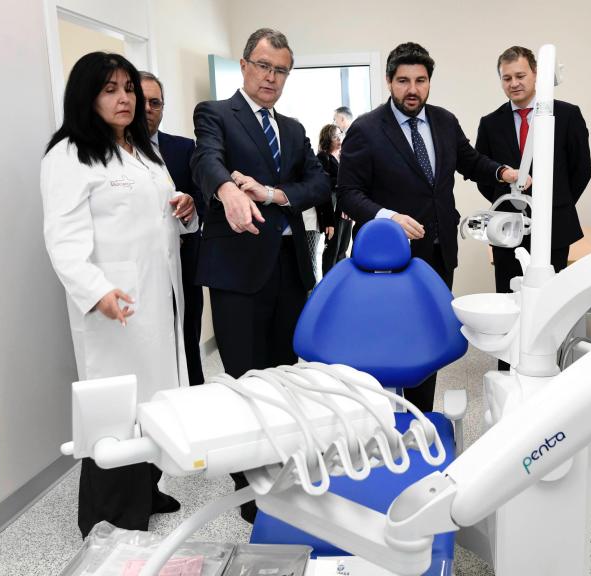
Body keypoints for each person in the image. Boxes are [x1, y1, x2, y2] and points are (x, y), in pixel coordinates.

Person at [40, 52, 197, 537]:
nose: (125, 98)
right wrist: (97, 292)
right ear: (86, 97)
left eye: (128, 88)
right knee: (115, 413)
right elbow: (62, 241)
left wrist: (187, 211)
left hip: (157, 296)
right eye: (110, 89)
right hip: (115, 307)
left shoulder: (144, 152)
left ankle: (146, 492)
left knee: (153, 405)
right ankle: (108, 520)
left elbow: (164, 220)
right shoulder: (68, 156)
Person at [337, 42, 524, 412]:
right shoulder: (366, 129)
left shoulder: (443, 121)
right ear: (389, 81)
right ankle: (386, 417)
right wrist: (388, 218)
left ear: (429, 83)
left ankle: (421, 416)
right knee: (391, 341)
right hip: (390, 261)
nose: (412, 89)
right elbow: (347, 193)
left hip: (439, 254)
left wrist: (502, 172)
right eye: (403, 80)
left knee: (427, 340)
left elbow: (469, 161)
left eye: (420, 80)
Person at [190, 28, 330, 522]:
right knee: (245, 376)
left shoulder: (292, 129)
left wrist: (271, 194)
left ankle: (282, 463)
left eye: (281, 70)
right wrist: (228, 190)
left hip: (289, 269)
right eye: (264, 66)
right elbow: (205, 159)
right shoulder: (215, 114)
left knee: (282, 374)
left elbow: (317, 182)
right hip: (238, 269)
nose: (271, 77)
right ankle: (250, 485)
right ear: (245, 65)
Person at [475, 46, 591, 370]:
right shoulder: (490, 123)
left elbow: (581, 170)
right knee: (509, 303)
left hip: (554, 227)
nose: (514, 83)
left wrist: (552, 205)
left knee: (549, 304)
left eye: (520, 75)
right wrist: (511, 202)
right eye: (506, 77)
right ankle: (508, 367)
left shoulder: (567, 115)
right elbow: (484, 174)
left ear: (537, 74)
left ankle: (549, 368)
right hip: (508, 227)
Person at [139, 71, 206, 386]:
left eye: (156, 102)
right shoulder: (106, 156)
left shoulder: (182, 149)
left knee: (188, 339)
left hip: (185, 266)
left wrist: (192, 206)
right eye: (142, 101)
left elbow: (203, 200)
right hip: (138, 270)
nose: (148, 108)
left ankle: (195, 405)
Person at [316, 123, 351, 275]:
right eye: (335, 136)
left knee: (342, 249)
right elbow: (323, 185)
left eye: (340, 135)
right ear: (327, 138)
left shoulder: (341, 156)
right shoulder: (323, 157)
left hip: (345, 209)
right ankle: (329, 285)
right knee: (332, 249)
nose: (339, 139)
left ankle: (342, 282)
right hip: (333, 210)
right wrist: (341, 182)